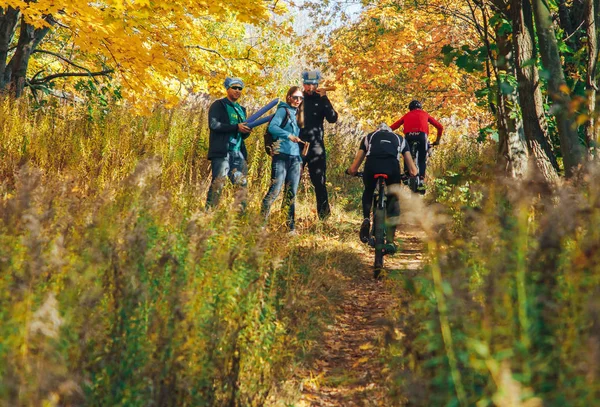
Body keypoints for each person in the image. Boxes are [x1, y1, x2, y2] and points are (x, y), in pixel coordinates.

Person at [347, 123, 418, 246]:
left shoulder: (369, 137)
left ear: (377, 130)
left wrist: (351, 171)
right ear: (390, 131)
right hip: (392, 168)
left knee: (369, 190)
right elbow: (413, 170)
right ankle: (390, 241)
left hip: (372, 166)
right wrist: (411, 174)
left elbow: (354, 168)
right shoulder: (400, 139)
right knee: (394, 198)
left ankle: (366, 218)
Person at [261, 86, 304, 232]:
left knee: (291, 193)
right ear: (289, 97)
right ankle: (260, 225)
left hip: (295, 158)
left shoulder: (298, 113)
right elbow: (272, 127)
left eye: (300, 98)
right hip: (281, 156)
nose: (298, 100)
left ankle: (289, 227)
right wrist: (288, 135)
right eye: (295, 97)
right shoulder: (282, 110)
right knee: (275, 189)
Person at [206, 77, 252, 209]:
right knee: (218, 184)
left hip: (238, 153)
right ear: (227, 89)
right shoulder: (219, 105)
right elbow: (214, 125)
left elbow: (243, 134)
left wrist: (246, 130)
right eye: (234, 88)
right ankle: (209, 214)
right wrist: (236, 127)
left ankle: (240, 220)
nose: (238, 91)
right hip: (222, 153)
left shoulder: (241, 109)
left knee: (241, 185)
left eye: (240, 89)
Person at [300, 69, 338, 220]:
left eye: (313, 84)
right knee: (292, 179)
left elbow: (333, 118)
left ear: (317, 84)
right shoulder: (298, 98)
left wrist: (325, 99)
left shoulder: (321, 98)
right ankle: (287, 215)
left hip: (316, 146)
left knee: (319, 180)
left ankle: (324, 217)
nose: (310, 88)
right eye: (308, 85)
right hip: (298, 144)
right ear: (303, 84)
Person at [390, 100, 443, 180]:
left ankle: (406, 173)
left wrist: (385, 131)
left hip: (409, 136)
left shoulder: (407, 115)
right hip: (422, 136)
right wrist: (437, 140)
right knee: (422, 158)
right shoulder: (425, 114)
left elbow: (395, 125)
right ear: (420, 108)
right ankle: (421, 178)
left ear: (410, 108)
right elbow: (440, 127)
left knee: (406, 153)